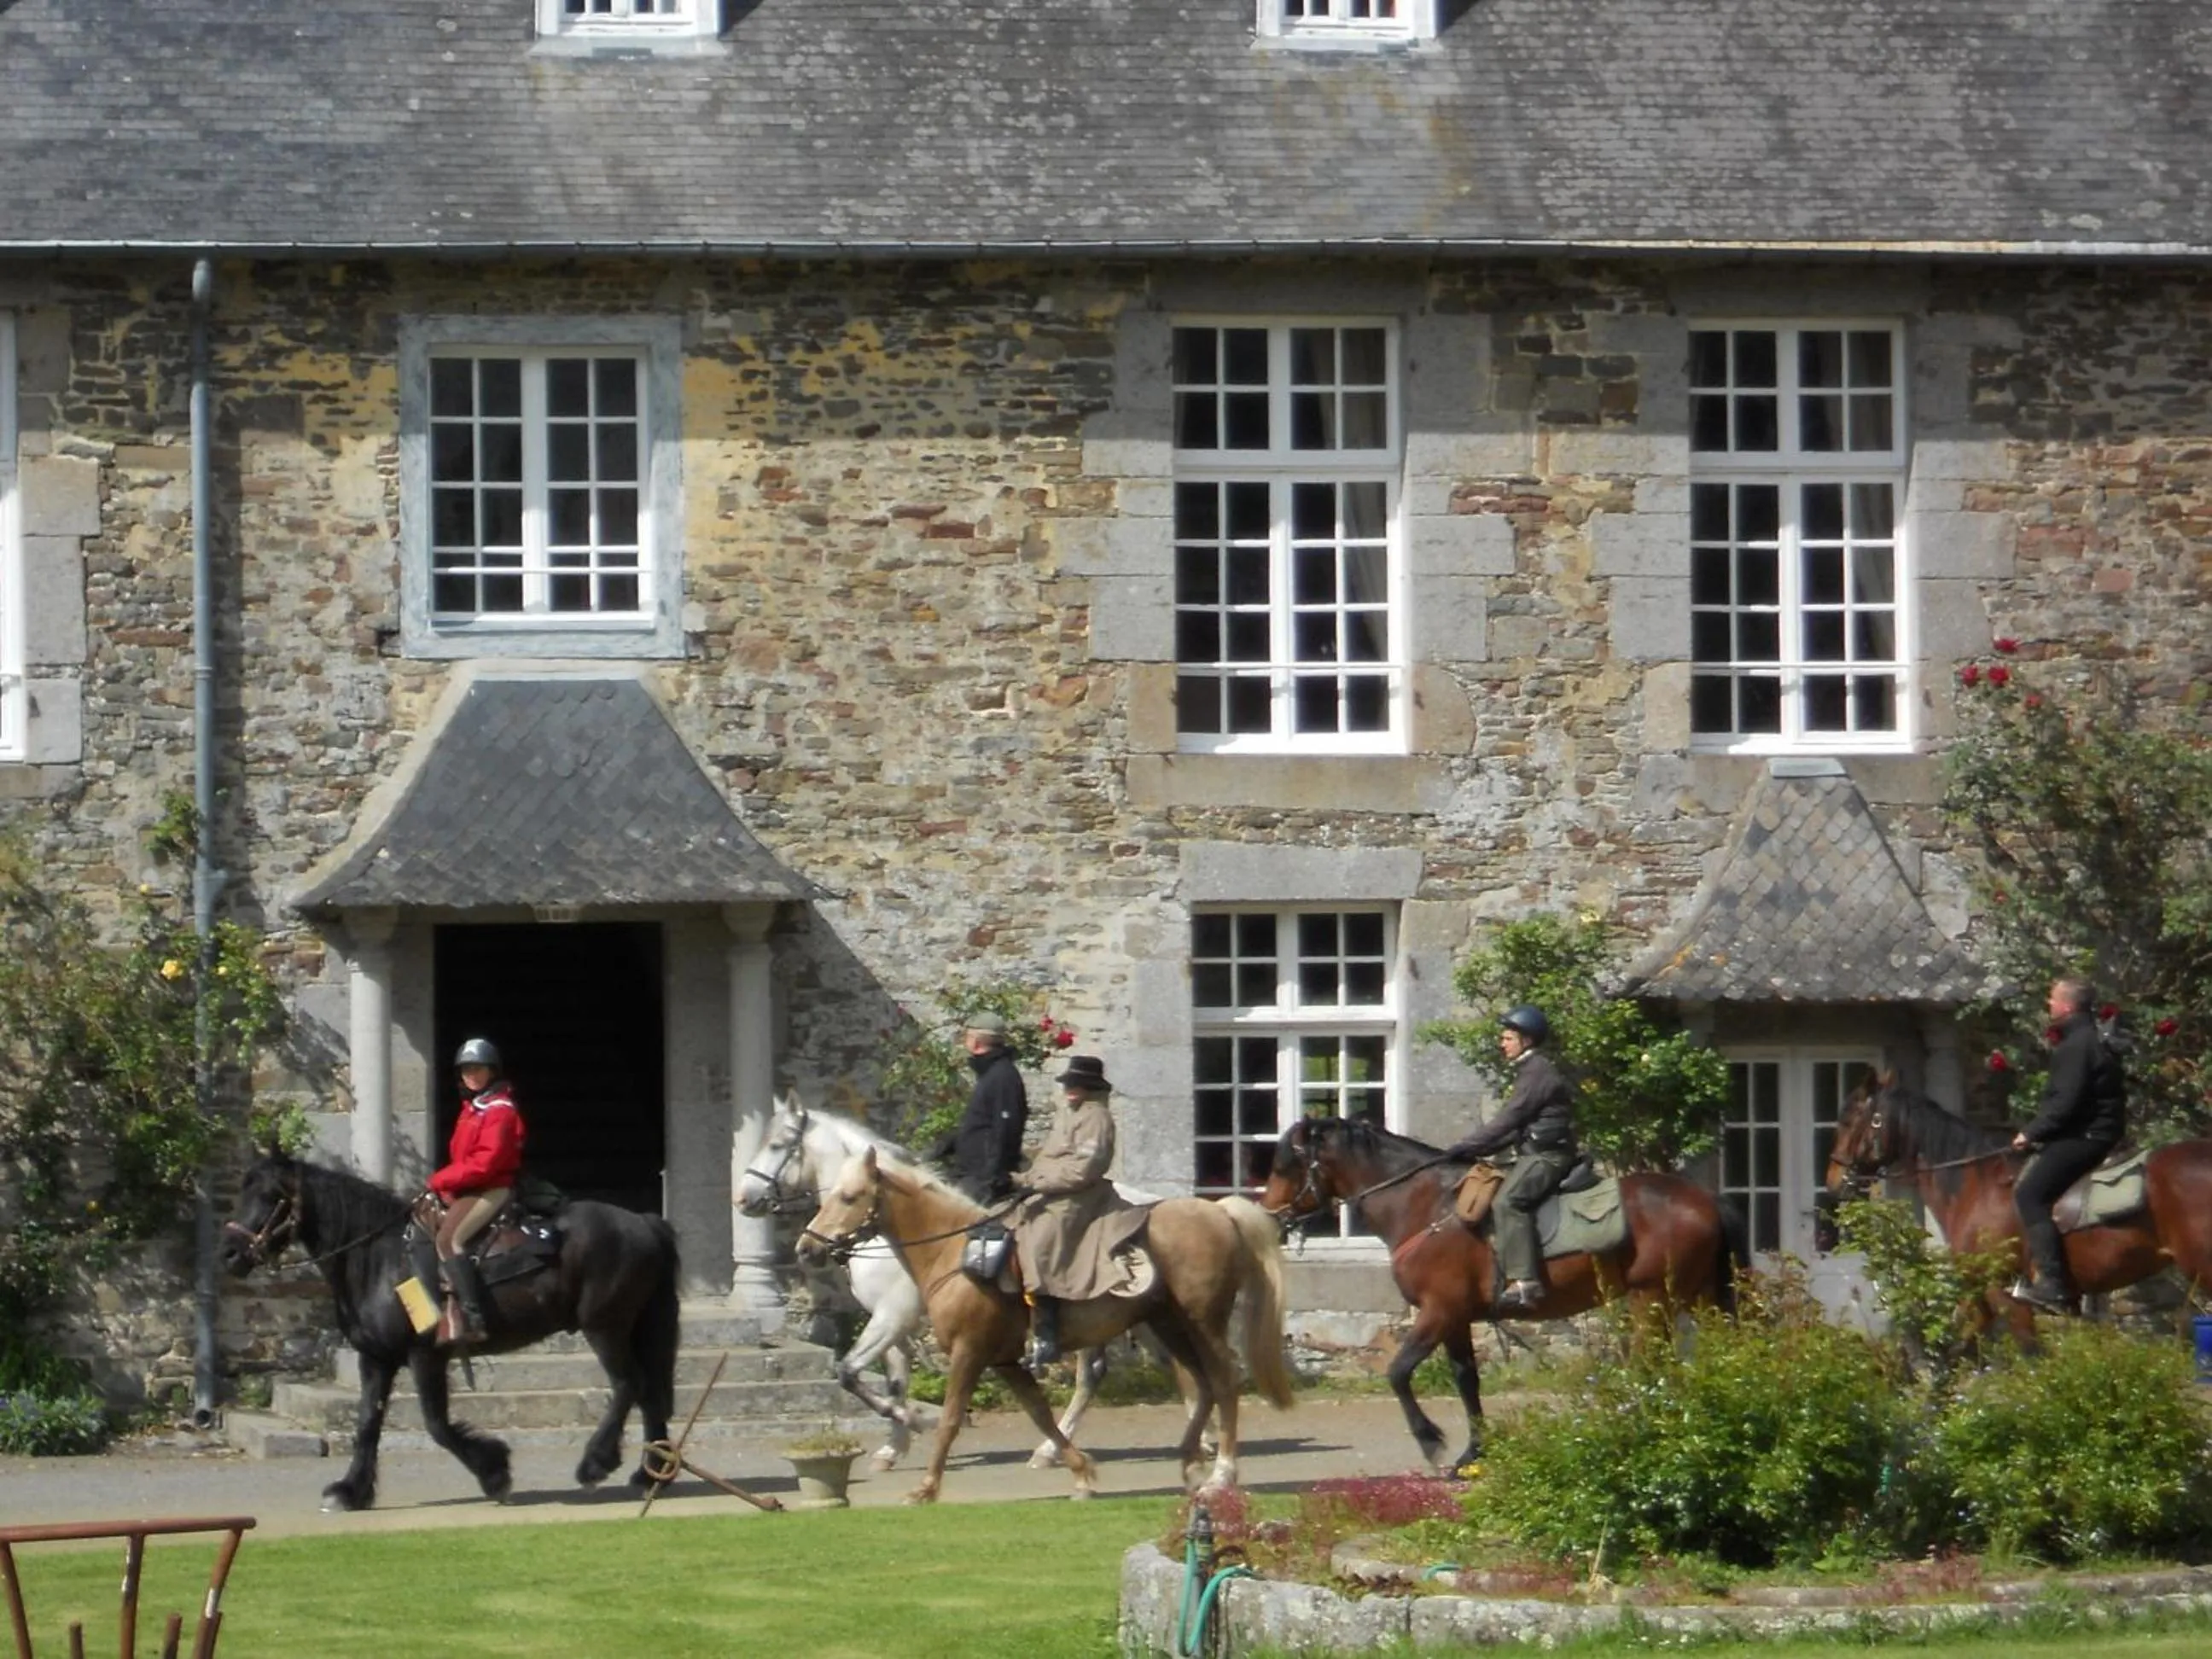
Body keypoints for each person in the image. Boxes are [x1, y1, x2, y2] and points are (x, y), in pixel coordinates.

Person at [1007, 1055, 1150, 1366]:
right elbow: (1048, 1161)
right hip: (1048, 1190)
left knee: (1042, 1241)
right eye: (1069, 1083)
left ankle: (1048, 1331)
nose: (1070, 1089)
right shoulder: (1069, 1115)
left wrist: (1040, 1184)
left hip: (1078, 1196)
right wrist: (1019, 1179)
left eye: (1077, 1084)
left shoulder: (1096, 1117)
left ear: (1090, 1087)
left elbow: (1084, 1169)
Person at [1443, 1005, 1576, 1313]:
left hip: (1550, 1156)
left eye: (1507, 1038)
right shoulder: (1529, 1071)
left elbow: (1508, 1119)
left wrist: (1464, 1145)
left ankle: (1525, 1281)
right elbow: (1515, 1128)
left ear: (1526, 1041)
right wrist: (1472, 1151)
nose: (1502, 1044)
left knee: (1508, 1202)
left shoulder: (1538, 1073)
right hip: (1533, 1151)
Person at [2008, 978, 2126, 1313]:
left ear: (2068, 1007)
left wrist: (2030, 1133)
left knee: (2029, 1194)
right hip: (2096, 1131)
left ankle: (2053, 1284)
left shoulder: (2076, 1046)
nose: (2048, 1004)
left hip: (2086, 1136)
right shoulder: (2092, 1038)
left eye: (2052, 999)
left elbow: (2066, 1104)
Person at [428, 1037, 526, 1343]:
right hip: (469, 1188)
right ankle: (435, 1311)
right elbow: (463, 1157)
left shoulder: (500, 1110)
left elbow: (485, 1163)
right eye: (466, 1069)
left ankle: (473, 1318)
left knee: (449, 1240)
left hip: (492, 1188)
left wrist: (439, 1181)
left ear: (492, 1071)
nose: (471, 1075)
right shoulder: (473, 1107)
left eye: (478, 1069)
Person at [934, 1012, 1029, 1204]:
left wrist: (993, 1177)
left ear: (976, 1043)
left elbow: (1006, 1130)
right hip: (970, 1172)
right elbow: (979, 1123)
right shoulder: (991, 1075)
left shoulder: (1003, 1077)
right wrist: (943, 1148)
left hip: (982, 1179)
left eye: (967, 1037)